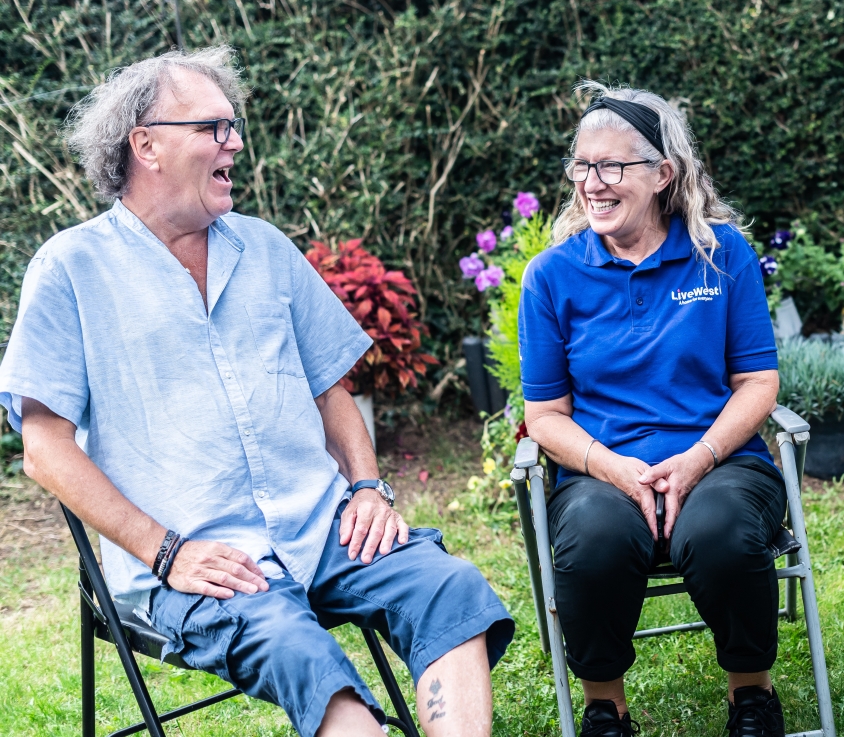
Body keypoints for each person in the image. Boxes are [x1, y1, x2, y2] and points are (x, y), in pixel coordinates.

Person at [0, 46, 513, 737]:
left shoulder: (265, 248)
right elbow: (44, 450)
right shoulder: (70, 269)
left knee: (447, 586)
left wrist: (366, 485)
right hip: (199, 564)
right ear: (145, 144)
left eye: (232, 125)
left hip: (321, 527)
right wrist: (165, 550)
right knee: (299, 648)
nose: (235, 141)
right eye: (214, 126)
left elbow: (332, 387)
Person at [520, 82, 786, 737]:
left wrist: (697, 460)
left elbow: (757, 380)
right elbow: (546, 414)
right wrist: (617, 471)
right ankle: (606, 707)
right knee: (594, 539)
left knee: (724, 531)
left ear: (664, 173)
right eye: (582, 166)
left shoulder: (720, 254)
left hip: (720, 459)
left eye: (612, 166)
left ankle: (751, 694)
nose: (592, 183)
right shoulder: (551, 276)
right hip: (601, 468)